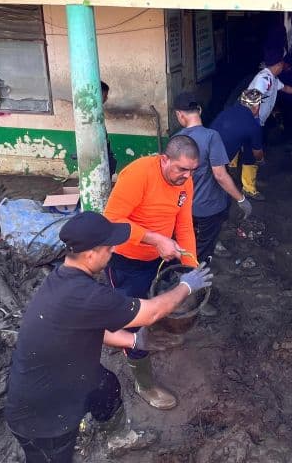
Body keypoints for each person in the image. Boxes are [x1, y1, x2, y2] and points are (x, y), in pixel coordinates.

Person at [5, 212, 213, 462]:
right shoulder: (87, 295)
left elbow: (90, 326)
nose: (113, 250)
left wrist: (134, 341)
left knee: (107, 387)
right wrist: (186, 286)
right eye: (108, 247)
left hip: (70, 372)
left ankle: (117, 437)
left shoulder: (63, 279)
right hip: (41, 414)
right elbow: (152, 312)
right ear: (90, 254)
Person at [102, 134, 200, 409]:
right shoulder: (138, 175)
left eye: (193, 170)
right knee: (132, 319)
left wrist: (190, 267)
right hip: (126, 260)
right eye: (182, 169)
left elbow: (184, 224)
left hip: (160, 258)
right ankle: (144, 384)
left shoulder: (185, 182)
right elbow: (112, 220)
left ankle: (154, 331)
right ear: (164, 159)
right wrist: (156, 239)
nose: (187, 176)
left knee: (161, 301)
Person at [172, 92, 252, 288]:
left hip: (184, 207)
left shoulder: (176, 140)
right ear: (199, 110)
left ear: (180, 115)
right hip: (210, 208)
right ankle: (191, 286)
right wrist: (241, 199)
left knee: (186, 241)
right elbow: (220, 175)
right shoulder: (211, 137)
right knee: (203, 249)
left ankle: (180, 272)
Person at [211, 88, 266, 200]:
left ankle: (233, 170)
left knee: (245, 140)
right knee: (252, 148)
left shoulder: (228, 110)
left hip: (204, 148)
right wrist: (261, 160)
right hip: (217, 162)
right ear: (256, 107)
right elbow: (257, 152)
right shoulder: (253, 126)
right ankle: (247, 189)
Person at [247, 50, 292, 128]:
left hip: (257, 121)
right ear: (279, 64)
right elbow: (251, 99)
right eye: (282, 63)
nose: (283, 66)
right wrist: (255, 118)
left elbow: (285, 88)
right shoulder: (264, 78)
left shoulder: (273, 78)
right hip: (250, 121)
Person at [101, 80, 118, 178]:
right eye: (105, 95)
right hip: (100, 149)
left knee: (110, 166)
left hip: (104, 146)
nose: (106, 98)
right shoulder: (91, 111)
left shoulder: (98, 110)